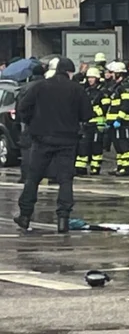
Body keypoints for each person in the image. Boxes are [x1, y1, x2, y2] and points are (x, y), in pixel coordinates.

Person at [14, 58, 93, 234]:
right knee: (65, 179)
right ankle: (63, 219)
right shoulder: (77, 89)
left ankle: (25, 216)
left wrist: (32, 123)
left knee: (33, 178)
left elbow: (23, 108)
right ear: (70, 72)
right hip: (67, 140)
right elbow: (87, 114)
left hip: (41, 139)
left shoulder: (40, 86)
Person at [13, 63, 46, 184]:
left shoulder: (25, 88)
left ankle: (26, 176)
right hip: (46, 123)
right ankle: (47, 176)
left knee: (27, 150)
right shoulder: (48, 86)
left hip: (28, 123)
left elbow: (19, 107)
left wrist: (19, 122)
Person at [103, 62, 129, 176]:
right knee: (117, 145)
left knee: (123, 144)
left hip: (122, 121)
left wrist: (119, 119)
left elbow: (126, 104)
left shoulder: (125, 86)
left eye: (112, 73)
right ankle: (120, 166)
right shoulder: (116, 86)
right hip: (114, 121)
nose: (111, 75)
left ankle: (128, 168)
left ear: (118, 73)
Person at [75, 68, 108, 176]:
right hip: (86, 124)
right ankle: (80, 168)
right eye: (89, 77)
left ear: (97, 78)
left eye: (92, 77)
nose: (90, 80)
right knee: (83, 146)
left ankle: (95, 168)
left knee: (96, 147)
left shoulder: (103, 92)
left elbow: (105, 108)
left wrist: (91, 111)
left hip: (97, 124)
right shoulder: (87, 91)